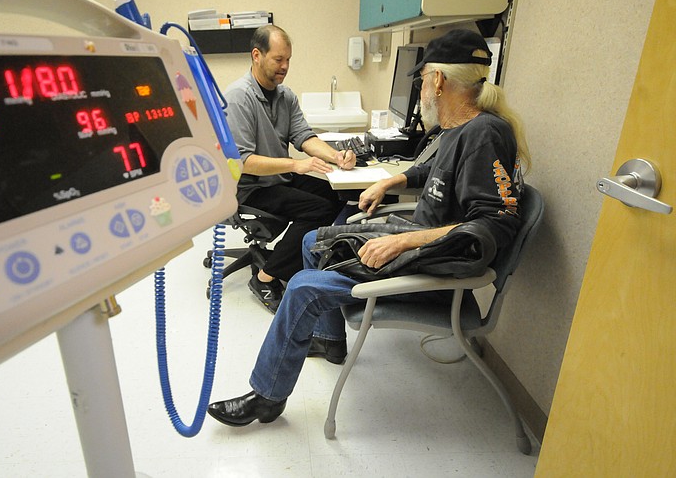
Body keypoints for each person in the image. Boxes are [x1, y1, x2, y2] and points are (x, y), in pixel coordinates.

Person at [207, 29, 532, 427]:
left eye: (424, 78)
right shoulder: (461, 130)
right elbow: (433, 171)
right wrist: (391, 181)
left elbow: (495, 223)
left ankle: (267, 396)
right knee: (312, 241)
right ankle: (330, 341)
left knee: (302, 285)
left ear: (439, 80)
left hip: (433, 264)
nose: (423, 90)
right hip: (416, 245)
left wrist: (403, 242)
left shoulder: (484, 133)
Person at [224, 25, 356, 313]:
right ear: (256, 55)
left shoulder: (286, 97)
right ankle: (265, 277)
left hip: (279, 179)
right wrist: (297, 165)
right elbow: (243, 160)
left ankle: (304, 259)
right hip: (249, 187)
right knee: (318, 210)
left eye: (288, 60)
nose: (285, 67)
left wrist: (336, 156)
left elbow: (304, 137)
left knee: (338, 195)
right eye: (278, 59)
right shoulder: (238, 97)